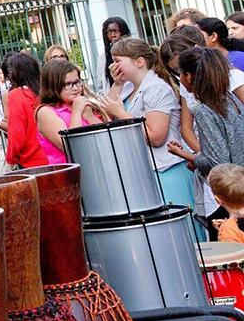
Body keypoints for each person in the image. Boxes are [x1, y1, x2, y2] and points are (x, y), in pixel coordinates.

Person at [102, 38, 194, 213]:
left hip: (166, 170)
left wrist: (122, 114)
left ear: (139, 62)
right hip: (145, 170)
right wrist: (117, 84)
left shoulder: (157, 88)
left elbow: (156, 136)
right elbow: (106, 117)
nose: (112, 67)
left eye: (117, 62)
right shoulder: (128, 87)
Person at [166, 48, 244, 178]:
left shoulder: (204, 110)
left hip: (233, 184)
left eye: (180, 74)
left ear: (189, 77)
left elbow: (217, 162)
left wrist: (184, 154)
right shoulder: (230, 98)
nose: (180, 79)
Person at [35, 59, 105, 164]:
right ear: (54, 86)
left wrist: (90, 117)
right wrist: (77, 113)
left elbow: (107, 138)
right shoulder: (46, 112)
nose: (76, 88)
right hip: (70, 175)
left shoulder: (84, 105)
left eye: (77, 82)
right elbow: (71, 147)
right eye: (68, 84)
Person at [3, 53, 49, 169]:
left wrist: (11, 157)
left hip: (31, 161)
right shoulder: (46, 91)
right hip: (54, 156)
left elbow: (17, 133)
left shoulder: (17, 94)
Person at [209, 164, 244, 244]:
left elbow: (232, 255)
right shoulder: (231, 228)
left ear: (218, 200)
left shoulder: (229, 231)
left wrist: (226, 232)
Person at [100, 16, 130, 94]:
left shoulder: (132, 52)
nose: (112, 35)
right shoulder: (102, 58)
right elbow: (101, 85)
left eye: (116, 31)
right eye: (109, 32)